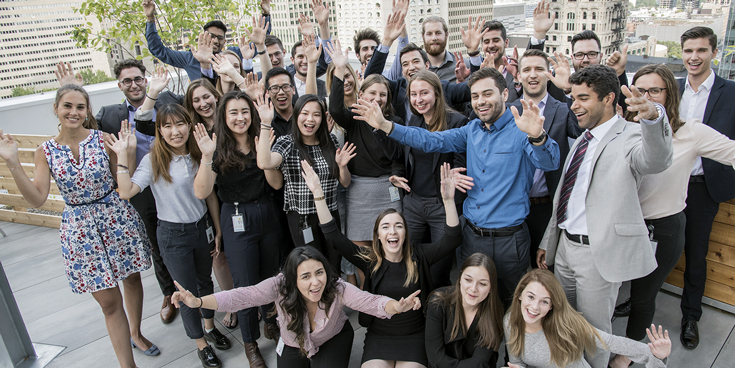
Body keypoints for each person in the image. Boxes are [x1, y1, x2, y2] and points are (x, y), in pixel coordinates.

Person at [354, 67, 560, 306]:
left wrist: (538, 136)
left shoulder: (522, 128)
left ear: (504, 94)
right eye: (475, 96)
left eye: (487, 94)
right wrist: (386, 126)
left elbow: (549, 161)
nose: (480, 102)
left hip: (509, 241)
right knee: (471, 302)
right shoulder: (470, 130)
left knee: (510, 303)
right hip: (472, 236)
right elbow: (430, 140)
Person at [0, 85, 155, 368]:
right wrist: (12, 162)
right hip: (81, 230)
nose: (74, 112)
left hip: (116, 217)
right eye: (67, 106)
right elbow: (36, 199)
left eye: (80, 107)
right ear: (57, 109)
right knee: (109, 302)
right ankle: (127, 365)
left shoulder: (103, 139)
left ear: (87, 111)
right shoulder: (44, 151)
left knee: (131, 279)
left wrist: (128, 152)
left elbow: (126, 181)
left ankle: (136, 332)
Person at [537, 65, 672, 368]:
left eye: (583, 98)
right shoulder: (582, 140)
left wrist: (652, 118)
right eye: (573, 97)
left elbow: (658, 158)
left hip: (597, 255)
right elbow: (566, 197)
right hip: (564, 251)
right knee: (562, 325)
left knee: (595, 336)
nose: (574, 105)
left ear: (609, 98)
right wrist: (550, 241)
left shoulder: (632, 135)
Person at [610, 64, 735, 366]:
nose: (647, 97)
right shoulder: (619, 128)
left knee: (643, 296)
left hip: (662, 229)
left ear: (670, 94)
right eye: (640, 90)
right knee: (607, 292)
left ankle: (627, 355)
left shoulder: (691, 132)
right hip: (620, 224)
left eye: (655, 91)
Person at [55, 59, 183, 324]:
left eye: (138, 79)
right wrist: (71, 89)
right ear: (119, 85)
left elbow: (200, 101)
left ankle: (191, 289)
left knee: (184, 235)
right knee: (155, 242)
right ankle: (169, 293)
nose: (133, 84)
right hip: (139, 186)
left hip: (175, 179)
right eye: (127, 81)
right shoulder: (110, 114)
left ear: (146, 80)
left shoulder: (166, 99)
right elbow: (82, 128)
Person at [305, 160, 461, 367]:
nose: (393, 231)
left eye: (398, 226)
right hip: (379, 336)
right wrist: (318, 193)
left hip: (414, 336)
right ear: (378, 235)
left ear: (405, 233)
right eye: (386, 227)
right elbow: (333, 236)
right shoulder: (369, 260)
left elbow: (451, 239)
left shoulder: (420, 255)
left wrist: (449, 201)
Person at [114, 103, 230, 368]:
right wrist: (122, 156)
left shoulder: (198, 154)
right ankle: (201, 344)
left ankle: (210, 327)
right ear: (160, 131)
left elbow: (209, 193)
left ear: (189, 126)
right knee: (185, 292)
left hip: (201, 228)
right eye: (167, 126)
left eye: (180, 124)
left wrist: (217, 228)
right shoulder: (154, 158)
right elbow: (126, 191)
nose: (175, 131)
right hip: (173, 235)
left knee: (205, 282)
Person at [171, 246, 423, 367]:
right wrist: (198, 302)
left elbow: (370, 301)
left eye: (319, 272)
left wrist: (396, 307)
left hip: (334, 338)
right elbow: (242, 297)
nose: (316, 283)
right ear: (292, 278)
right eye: (305, 276)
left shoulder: (337, 288)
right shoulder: (278, 285)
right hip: (293, 343)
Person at [192, 91, 283, 367]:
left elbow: (276, 184)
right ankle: (250, 343)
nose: (240, 117)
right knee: (244, 285)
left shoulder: (263, 138)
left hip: (266, 212)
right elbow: (202, 191)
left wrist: (264, 148)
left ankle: (270, 320)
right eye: (233, 112)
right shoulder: (216, 147)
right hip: (236, 217)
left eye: (245, 111)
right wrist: (207, 156)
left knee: (270, 276)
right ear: (224, 116)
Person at [673, 26, 735, 350]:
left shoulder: (731, 92)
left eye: (701, 50)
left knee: (696, 254)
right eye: (688, 51)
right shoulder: (672, 87)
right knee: (655, 247)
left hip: (703, 188)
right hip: (669, 184)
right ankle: (640, 300)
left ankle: (690, 316)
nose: (694, 57)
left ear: (714, 52)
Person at [385, 70, 470, 287]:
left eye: (424, 93)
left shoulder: (457, 121)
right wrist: (399, 175)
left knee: (439, 268)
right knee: (411, 261)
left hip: (442, 206)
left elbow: (462, 162)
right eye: (414, 94)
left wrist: (455, 174)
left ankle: (436, 311)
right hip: (413, 203)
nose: (418, 99)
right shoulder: (414, 119)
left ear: (437, 94)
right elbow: (402, 156)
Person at [256, 93, 355, 270]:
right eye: (305, 113)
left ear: (323, 118)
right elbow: (264, 163)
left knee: (334, 264)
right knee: (312, 266)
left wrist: (342, 166)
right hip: (302, 217)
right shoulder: (286, 143)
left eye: (316, 114)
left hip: (330, 214)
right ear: (296, 115)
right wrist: (265, 123)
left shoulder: (330, 141)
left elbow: (345, 182)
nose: (310, 119)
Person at [503, 269, 672, 368]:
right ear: (519, 295)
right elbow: (516, 361)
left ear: (552, 305)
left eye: (544, 302)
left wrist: (655, 355)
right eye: (530, 297)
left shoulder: (566, 323)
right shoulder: (510, 321)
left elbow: (611, 342)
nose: (534, 307)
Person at [510, 49, 581, 269]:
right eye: (527, 69)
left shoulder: (562, 110)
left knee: (543, 272)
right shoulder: (506, 110)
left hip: (545, 207)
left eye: (539, 69)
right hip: (510, 205)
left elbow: (581, 130)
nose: (533, 74)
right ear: (518, 76)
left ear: (548, 74)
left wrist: (568, 89)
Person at [364, 9, 481, 123]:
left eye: (415, 61)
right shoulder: (397, 88)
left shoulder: (444, 88)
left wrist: (474, 53)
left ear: (427, 65)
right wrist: (387, 41)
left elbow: (474, 88)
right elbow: (371, 78)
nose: (411, 67)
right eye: (405, 64)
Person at [528, 3, 629, 112]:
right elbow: (532, 65)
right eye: (580, 55)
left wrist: (619, 72)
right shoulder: (558, 84)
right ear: (572, 57)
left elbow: (626, 109)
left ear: (601, 56)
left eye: (591, 54)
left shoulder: (609, 88)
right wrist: (539, 34)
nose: (585, 60)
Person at [142, 0, 268, 81]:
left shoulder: (232, 55)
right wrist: (150, 19)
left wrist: (266, 14)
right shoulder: (190, 58)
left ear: (224, 42)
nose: (215, 41)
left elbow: (260, 41)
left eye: (219, 38)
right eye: (211, 36)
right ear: (203, 36)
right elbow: (158, 50)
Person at [425, 253, 504, 368]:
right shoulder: (438, 302)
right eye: (468, 280)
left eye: (482, 284)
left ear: (491, 287)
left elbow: (480, 361)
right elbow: (435, 357)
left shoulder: (494, 311)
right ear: (460, 278)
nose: (473, 289)